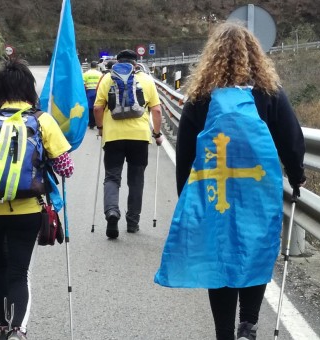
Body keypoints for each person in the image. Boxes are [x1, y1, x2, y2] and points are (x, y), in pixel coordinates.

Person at [154, 23, 306, 340]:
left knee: (218, 256)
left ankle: (224, 332)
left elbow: (185, 152)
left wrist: (188, 197)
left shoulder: (199, 98)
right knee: (256, 250)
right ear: (254, 56)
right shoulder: (268, 94)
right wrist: (296, 175)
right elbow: (291, 139)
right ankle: (248, 325)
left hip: (214, 193)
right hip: (258, 192)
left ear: (212, 57)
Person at [0, 59, 74, 340]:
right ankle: (18, 330)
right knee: (19, 271)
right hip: (27, 208)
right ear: (29, 89)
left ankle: (0, 326)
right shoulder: (42, 120)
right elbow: (65, 168)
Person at [93, 49, 164, 239]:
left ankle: (112, 212)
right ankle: (132, 222)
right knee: (136, 180)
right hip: (139, 138)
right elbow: (156, 111)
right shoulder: (147, 80)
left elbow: (98, 107)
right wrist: (157, 134)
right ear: (136, 63)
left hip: (113, 136)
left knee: (112, 177)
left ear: (118, 62)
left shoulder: (107, 79)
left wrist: (100, 127)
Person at [83, 61, 103, 129]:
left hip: (89, 92)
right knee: (97, 107)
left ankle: (91, 124)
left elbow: (84, 84)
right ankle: (97, 123)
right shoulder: (100, 74)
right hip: (97, 92)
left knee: (90, 108)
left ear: (90, 66)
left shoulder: (86, 74)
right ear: (96, 66)